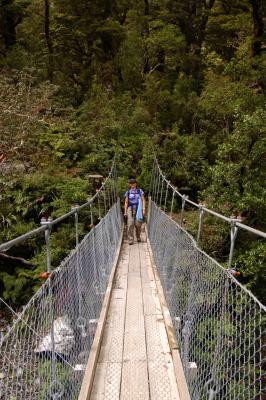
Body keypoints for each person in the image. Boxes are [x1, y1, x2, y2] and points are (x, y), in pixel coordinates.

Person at [124, 178, 145, 245]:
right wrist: (125, 212)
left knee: (138, 224)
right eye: (131, 184)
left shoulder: (140, 191)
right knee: (130, 223)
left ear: (136, 184)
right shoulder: (128, 192)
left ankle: (138, 237)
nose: (132, 185)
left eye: (133, 183)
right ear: (129, 184)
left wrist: (143, 209)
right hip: (130, 208)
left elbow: (143, 200)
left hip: (138, 208)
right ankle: (130, 239)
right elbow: (126, 202)